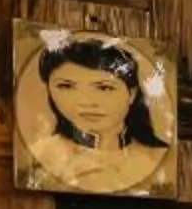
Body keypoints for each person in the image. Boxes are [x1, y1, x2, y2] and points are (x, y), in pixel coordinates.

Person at [18, 34, 172, 196]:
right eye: (66, 86)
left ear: (131, 94)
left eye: (104, 88)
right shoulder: (39, 157)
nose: (86, 102)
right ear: (49, 90)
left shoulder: (159, 158)